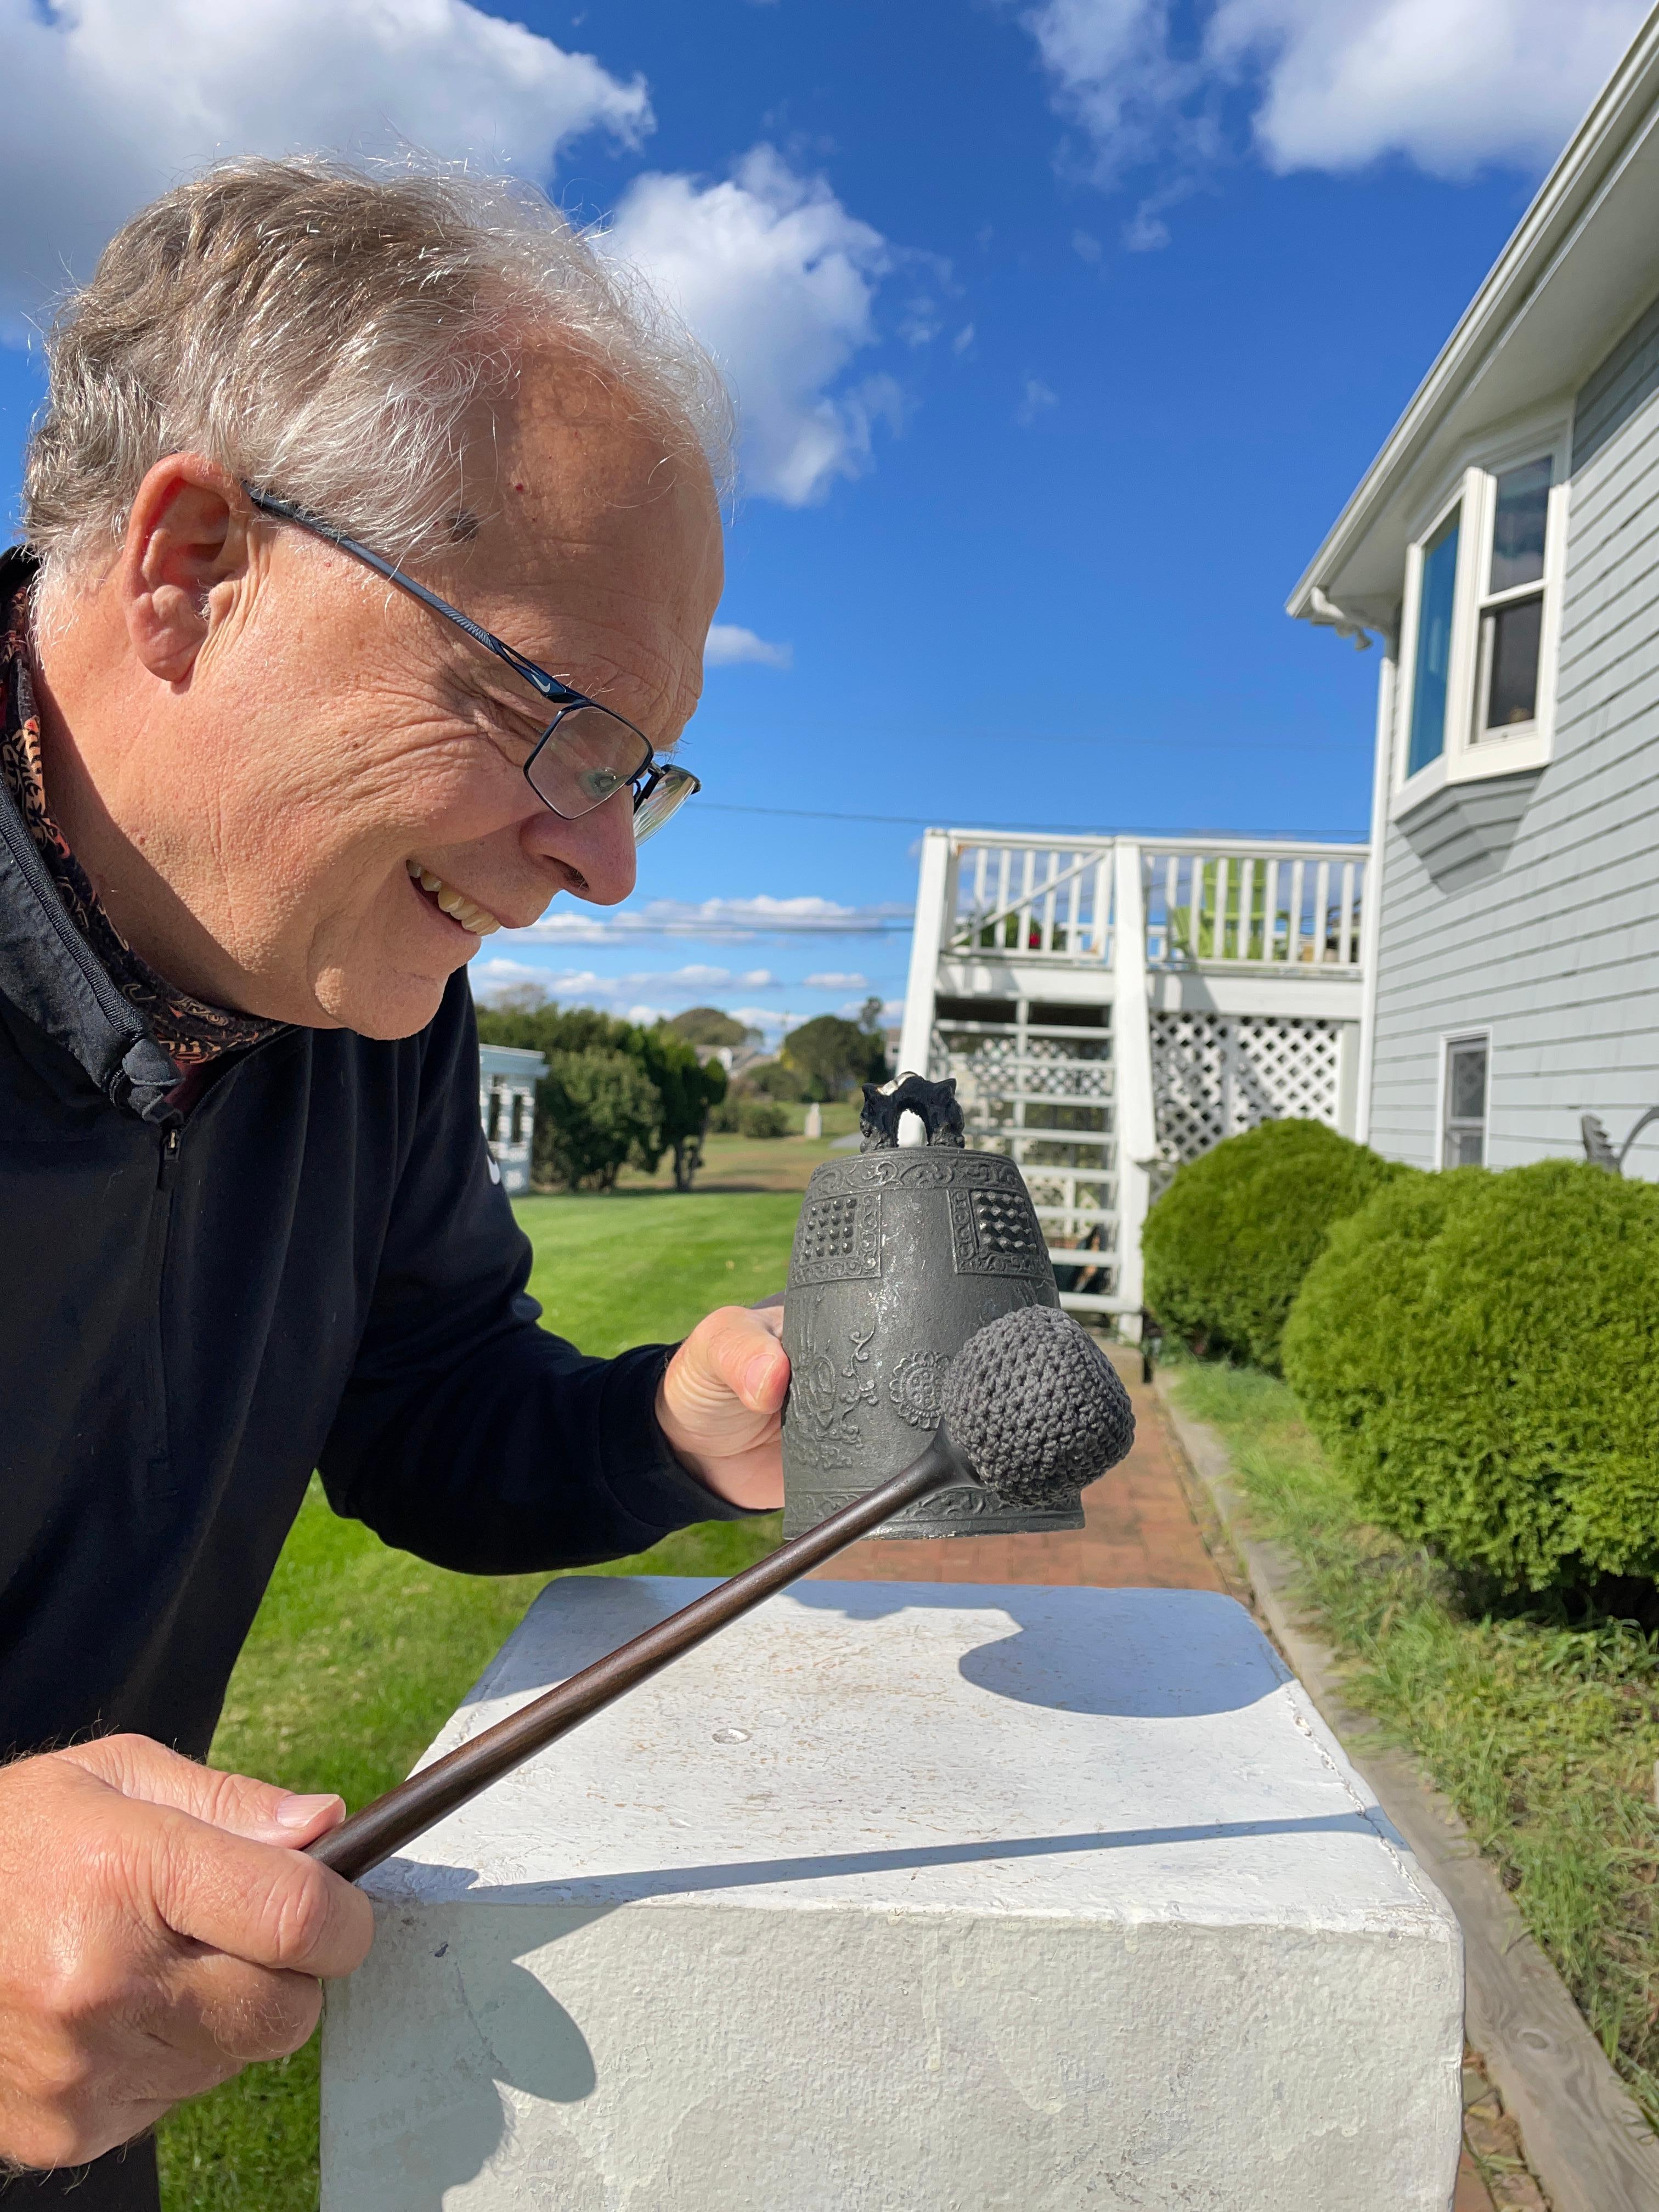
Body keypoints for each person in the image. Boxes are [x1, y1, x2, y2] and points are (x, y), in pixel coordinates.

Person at [0, 158, 790, 2208]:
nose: (608, 862)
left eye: (642, 771)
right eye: (558, 718)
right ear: (191, 568)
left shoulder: (371, 1013)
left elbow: (428, 1414)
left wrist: (679, 1427)